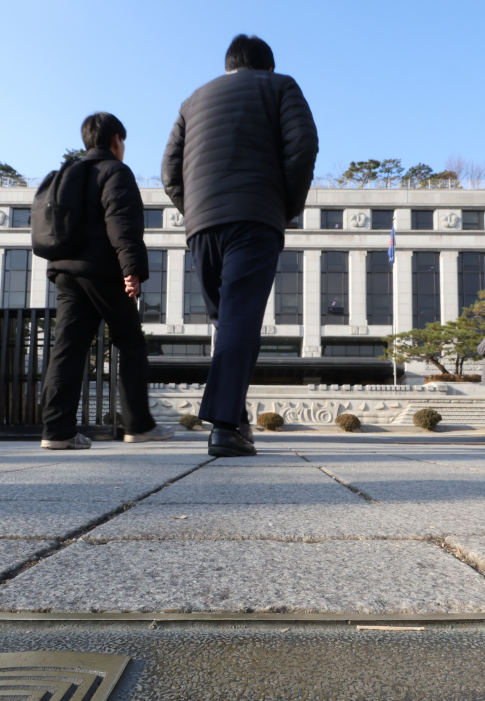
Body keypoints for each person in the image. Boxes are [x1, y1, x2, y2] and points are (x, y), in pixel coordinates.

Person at [161, 35, 318, 457]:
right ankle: (225, 427)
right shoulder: (280, 86)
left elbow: (169, 170)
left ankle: (237, 418)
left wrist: (194, 210)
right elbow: (303, 145)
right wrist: (284, 208)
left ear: (229, 65)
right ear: (267, 66)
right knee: (240, 321)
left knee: (228, 323)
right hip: (254, 218)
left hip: (202, 228)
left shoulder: (192, 100)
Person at [39, 112, 175, 449]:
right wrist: (131, 269)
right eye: (123, 141)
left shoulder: (69, 173)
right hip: (101, 271)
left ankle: (57, 432)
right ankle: (138, 425)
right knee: (130, 342)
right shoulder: (115, 171)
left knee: (67, 349)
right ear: (116, 140)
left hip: (66, 272)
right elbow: (122, 221)